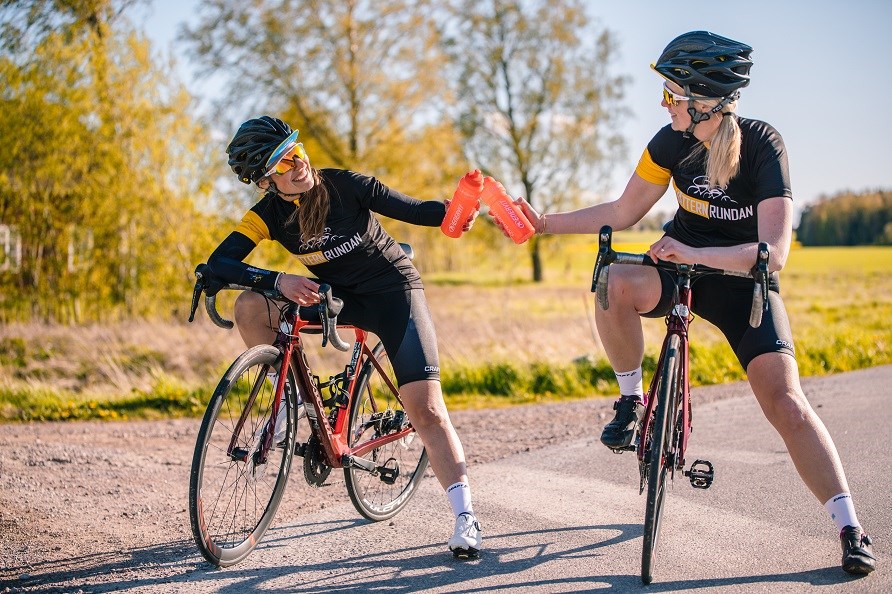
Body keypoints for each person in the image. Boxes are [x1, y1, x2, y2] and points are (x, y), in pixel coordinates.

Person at [506, 31, 876, 575]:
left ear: (704, 100)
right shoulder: (668, 142)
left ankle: (849, 526)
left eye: (671, 94)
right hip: (677, 267)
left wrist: (697, 249)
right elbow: (623, 210)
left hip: (741, 279)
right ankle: (632, 402)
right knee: (613, 280)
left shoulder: (762, 144)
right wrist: (545, 224)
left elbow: (774, 253)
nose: (664, 104)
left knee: (788, 405)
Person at [206, 115, 482, 558]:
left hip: (395, 295)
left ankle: (465, 517)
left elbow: (415, 209)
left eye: (296, 151)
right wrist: (278, 281)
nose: (297, 164)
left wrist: (458, 212)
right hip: (339, 299)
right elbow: (221, 262)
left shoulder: (346, 186)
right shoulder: (267, 217)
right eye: (282, 164)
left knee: (427, 408)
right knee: (251, 306)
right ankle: (293, 403)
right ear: (265, 183)